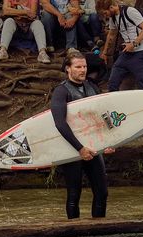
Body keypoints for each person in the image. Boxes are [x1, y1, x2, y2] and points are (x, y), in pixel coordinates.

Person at [51, 52, 114, 219]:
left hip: (93, 146)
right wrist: (80, 148)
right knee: (74, 194)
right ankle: (74, 234)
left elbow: (103, 116)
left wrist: (109, 141)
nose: (82, 70)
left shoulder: (92, 87)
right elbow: (60, 123)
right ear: (67, 68)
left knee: (102, 192)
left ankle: (98, 230)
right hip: (72, 148)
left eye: (84, 66)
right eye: (78, 66)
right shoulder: (61, 91)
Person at [96, 0, 143, 92]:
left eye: (105, 13)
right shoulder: (113, 17)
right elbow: (111, 34)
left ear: (111, 7)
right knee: (113, 80)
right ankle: (113, 100)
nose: (105, 16)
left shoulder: (130, 12)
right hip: (126, 53)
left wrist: (133, 44)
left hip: (141, 53)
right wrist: (105, 52)